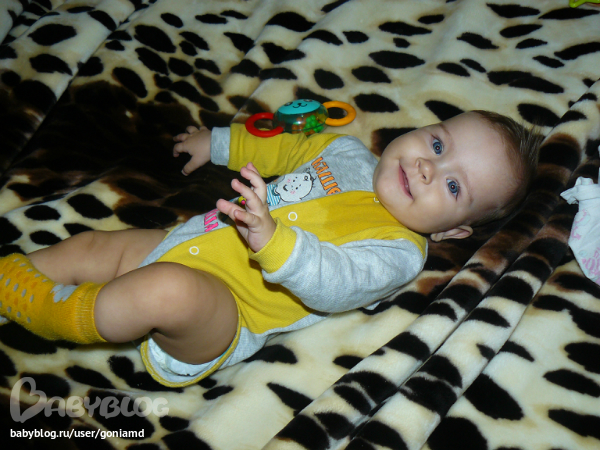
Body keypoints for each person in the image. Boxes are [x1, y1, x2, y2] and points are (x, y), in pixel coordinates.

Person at [0, 110, 541, 387]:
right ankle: (9, 277)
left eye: (453, 186)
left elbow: (338, 282)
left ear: (451, 233)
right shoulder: (345, 150)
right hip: (190, 240)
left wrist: (277, 244)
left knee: (169, 290)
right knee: (96, 245)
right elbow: (283, 145)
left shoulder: (400, 250)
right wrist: (218, 142)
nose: (427, 167)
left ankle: (47, 311)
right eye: (438, 143)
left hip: (227, 314)